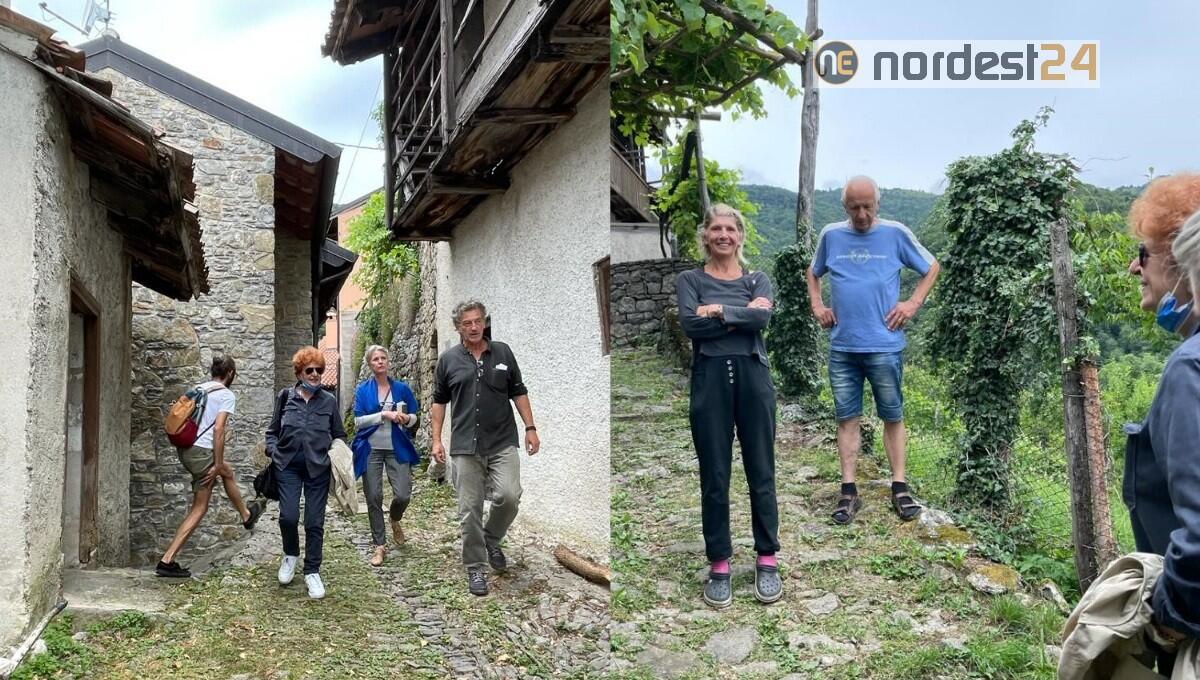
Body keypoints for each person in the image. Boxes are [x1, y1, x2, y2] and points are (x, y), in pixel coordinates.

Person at [807, 176, 940, 525]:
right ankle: (848, 491)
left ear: (877, 204)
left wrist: (912, 302)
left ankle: (899, 486)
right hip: (843, 346)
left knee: (892, 415)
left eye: (867, 206)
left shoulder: (896, 233)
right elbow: (813, 271)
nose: (862, 214)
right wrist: (817, 305)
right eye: (855, 207)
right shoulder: (831, 235)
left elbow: (931, 267)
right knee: (846, 418)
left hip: (885, 345)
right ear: (844, 207)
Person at [677, 203, 782, 608]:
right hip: (709, 379)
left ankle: (767, 558)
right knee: (715, 474)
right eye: (716, 228)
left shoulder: (758, 278)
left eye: (730, 229)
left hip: (754, 377)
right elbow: (690, 324)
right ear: (705, 236)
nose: (723, 235)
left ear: (740, 236)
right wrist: (740, 313)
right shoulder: (690, 278)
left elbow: (762, 322)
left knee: (761, 470)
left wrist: (718, 310)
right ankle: (719, 562)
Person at [1121, 175, 1200, 674]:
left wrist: (1165, 619)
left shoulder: (1190, 369)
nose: (1135, 268)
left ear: (1183, 263)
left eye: (1144, 254)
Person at [430, 300, 539, 596]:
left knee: (509, 496)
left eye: (478, 321)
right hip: (465, 446)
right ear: (458, 327)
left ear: (484, 322)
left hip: (502, 441)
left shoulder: (502, 352)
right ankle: (475, 567)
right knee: (470, 509)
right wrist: (437, 439)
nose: (474, 327)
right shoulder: (448, 360)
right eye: (467, 323)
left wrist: (530, 428)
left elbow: (518, 391)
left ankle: (491, 538)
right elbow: (439, 402)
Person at [156, 355, 263, 578]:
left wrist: (219, 465)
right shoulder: (225, 395)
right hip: (202, 452)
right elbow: (218, 430)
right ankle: (167, 560)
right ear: (231, 374)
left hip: (187, 449)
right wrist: (215, 463)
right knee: (200, 507)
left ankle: (245, 515)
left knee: (227, 471)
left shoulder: (199, 388)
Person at [266, 347, 347, 599]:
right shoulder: (285, 397)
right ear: (299, 372)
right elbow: (272, 432)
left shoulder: (328, 401)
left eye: (318, 370)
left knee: (314, 521)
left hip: (317, 468)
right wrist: (274, 453)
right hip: (288, 466)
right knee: (288, 517)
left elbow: (340, 435)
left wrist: (335, 455)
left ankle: (312, 571)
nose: (314, 374)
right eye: (309, 370)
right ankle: (290, 555)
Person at [352, 345, 420, 567]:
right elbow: (358, 422)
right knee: (373, 496)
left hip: (396, 446)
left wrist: (405, 419)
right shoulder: (363, 390)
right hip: (371, 447)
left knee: (403, 494)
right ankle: (379, 545)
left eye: (383, 358)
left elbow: (414, 417)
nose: (380, 362)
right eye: (375, 359)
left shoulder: (401, 388)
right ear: (370, 365)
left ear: (388, 362)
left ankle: (395, 518)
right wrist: (383, 414)